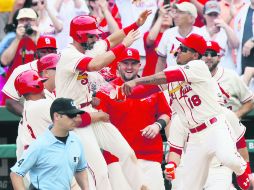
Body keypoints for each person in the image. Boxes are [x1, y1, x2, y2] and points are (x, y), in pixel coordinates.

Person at [121, 33, 250, 190]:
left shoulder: (199, 66)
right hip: (194, 135)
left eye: (184, 48)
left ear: (195, 54)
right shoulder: (176, 71)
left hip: (213, 126)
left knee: (228, 157)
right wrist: (122, 92)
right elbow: (149, 89)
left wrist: (136, 80)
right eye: (180, 47)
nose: (179, 50)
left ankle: (243, 170)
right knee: (189, 185)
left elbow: (165, 76)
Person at [56, 11, 152, 190]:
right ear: (80, 36)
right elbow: (95, 65)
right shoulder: (69, 54)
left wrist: (136, 25)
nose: (95, 38)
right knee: (98, 170)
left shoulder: (88, 48)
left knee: (127, 153)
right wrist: (124, 45)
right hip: (73, 117)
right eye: (91, 35)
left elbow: (109, 41)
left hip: (90, 110)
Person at [96, 48, 171, 190]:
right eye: (125, 63)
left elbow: (166, 113)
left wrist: (157, 126)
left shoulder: (151, 87)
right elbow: (100, 124)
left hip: (150, 155)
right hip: (118, 158)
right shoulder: (106, 90)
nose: (129, 67)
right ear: (118, 65)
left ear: (139, 65)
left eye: (133, 63)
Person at [10, 97, 90, 190]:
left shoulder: (76, 140)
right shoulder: (40, 144)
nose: (76, 119)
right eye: (70, 115)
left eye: (76, 115)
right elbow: (15, 174)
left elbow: (80, 170)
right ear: (57, 116)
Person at [1, 35, 57, 115]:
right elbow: (10, 102)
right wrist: (30, 116)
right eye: (43, 51)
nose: (47, 55)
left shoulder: (63, 70)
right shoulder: (21, 70)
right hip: (30, 123)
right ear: (36, 53)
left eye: (51, 51)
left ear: (56, 53)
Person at [155, 2, 203, 72]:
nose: (175, 16)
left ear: (191, 17)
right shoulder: (168, 33)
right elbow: (161, 61)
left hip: (194, 80)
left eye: (180, 12)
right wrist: (157, 82)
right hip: (172, 80)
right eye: (176, 12)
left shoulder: (202, 33)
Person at [200, 0, 239, 71]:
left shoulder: (226, 30)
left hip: (225, 72)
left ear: (219, 15)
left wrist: (225, 26)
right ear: (204, 15)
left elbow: (235, 45)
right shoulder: (199, 32)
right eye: (210, 14)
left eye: (215, 14)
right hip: (205, 72)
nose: (213, 17)